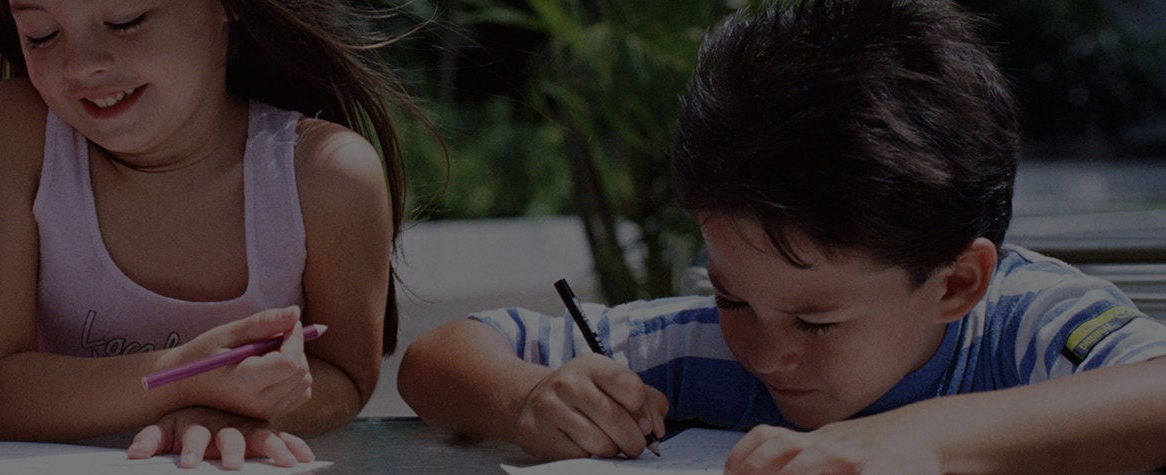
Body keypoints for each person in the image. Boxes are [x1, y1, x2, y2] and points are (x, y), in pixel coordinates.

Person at [398, 0, 1166, 473]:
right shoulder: (703, 350)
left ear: (957, 283)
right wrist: (524, 396)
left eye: (816, 320)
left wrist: (919, 440)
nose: (765, 354)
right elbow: (439, 359)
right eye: (730, 296)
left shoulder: (1022, 327)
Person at [0, 0, 422, 469]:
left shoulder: (326, 176)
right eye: (41, 34)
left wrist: (234, 412)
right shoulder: (19, 131)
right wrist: (189, 376)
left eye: (125, 21)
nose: (82, 65)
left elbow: (343, 376)